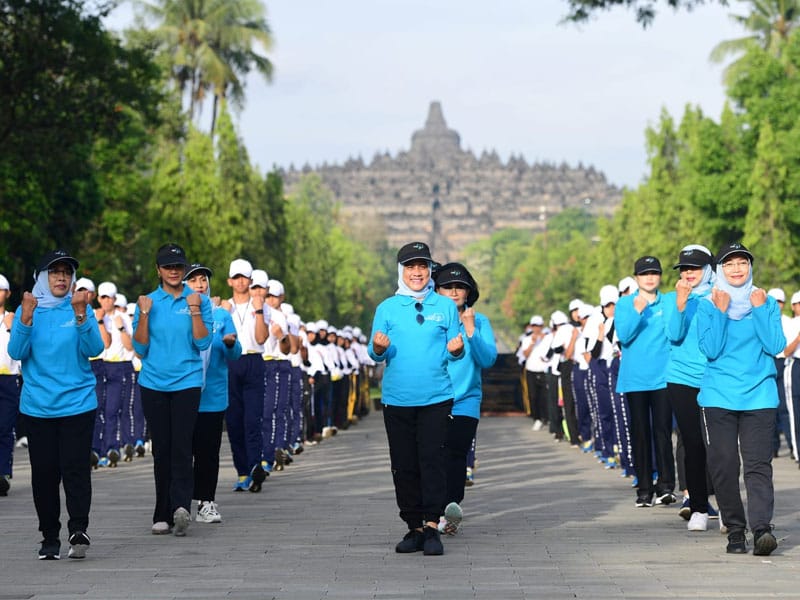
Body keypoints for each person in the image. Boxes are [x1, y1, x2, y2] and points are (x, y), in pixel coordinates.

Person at [368, 242, 464, 556]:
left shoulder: (445, 306)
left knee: (433, 461)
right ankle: (414, 527)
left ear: (430, 270)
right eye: (411, 267)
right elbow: (373, 351)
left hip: (436, 397)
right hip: (397, 400)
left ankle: (432, 526)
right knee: (404, 465)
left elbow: (457, 348)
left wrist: (457, 350)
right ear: (402, 271)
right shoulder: (387, 308)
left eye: (422, 266)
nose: (417, 273)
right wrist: (379, 348)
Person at [8, 249, 104, 560]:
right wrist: (24, 317)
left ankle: (78, 529)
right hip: (39, 407)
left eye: (66, 272)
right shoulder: (31, 310)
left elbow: (94, 348)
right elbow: (17, 351)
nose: (61, 277)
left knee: (76, 470)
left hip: (78, 403)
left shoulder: (80, 307)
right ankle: (49, 537)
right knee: (45, 474)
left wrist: (80, 315)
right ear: (41, 278)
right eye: (54, 272)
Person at [696, 242, 785, 555]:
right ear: (720, 269)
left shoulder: (766, 301)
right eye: (730, 263)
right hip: (718, 396)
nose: (737, 269)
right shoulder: (708, 304)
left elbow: (776, 344)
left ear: (750, 267)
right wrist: (720, 313)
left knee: (758, 465)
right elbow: (710, 349)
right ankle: (735, 529)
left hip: (759, 395)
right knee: (724, 464)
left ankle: (762, 529)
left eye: (742, 263)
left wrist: (760, 309)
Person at [132, 243, 212, 537]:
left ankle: (180, 507)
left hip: (187, 382)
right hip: (153, 383)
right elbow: (140, 348)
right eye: (168, 266)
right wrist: (142, 315)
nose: (174, 271)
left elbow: (203, 343)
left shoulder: (198, 301)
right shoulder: (147, 302)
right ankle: (161, 512)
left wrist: (194, 311)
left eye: (178, 266)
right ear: (159, 270)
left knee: (181, 445)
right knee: (161, 448)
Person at [433, 262, 497, 536]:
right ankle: (432, 510)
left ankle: (450, 507)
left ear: (469, 292)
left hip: (466, 400)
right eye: (448, 286)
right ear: (437, 290)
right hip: (432, 398)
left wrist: (471, 331)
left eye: (460, 287)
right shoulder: (430, 319)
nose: (454, 291)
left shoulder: (479, 322)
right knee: (433, 455)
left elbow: (487, 359)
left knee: (456, 454)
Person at [615, 256, 676, 508]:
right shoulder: (625, 303)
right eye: (644, 274)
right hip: (635, 380)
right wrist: (637, 311)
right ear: (636, 278)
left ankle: (665, 486)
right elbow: (624, 336)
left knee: (663, 433)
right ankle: (643, 488)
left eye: (654, 273)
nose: (650, 277)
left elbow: (675, 334)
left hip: (663, 378)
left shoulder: (668, 301)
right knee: (640, 434)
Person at [663, 245, 716, 531]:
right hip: (681, 378)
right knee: (693, 444)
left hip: (715, 378)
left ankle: (725, 502)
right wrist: (681, 305)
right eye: (684, 268)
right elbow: (673, 334)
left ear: (708, 269)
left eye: (694, 267)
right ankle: (697, 507)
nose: (688, 273)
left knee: (719, 445)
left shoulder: (721, 296)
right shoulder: (674, 299)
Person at [183, 264, 241, 524]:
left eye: (203, 280)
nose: (200, 284)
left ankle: (206, 502)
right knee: (183, 452)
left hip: (213, 396)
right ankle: (181, 503)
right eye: (193, 280)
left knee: (208, 452)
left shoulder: (221, 316)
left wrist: (230, 344)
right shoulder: (177, 314)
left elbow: (235, 352)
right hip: (183, 393)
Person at [0, 274, 20, 496]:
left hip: (8, 378)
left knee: (5, 427)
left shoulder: (12, 319)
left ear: (7, 293)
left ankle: (3, 473)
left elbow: (20, 348)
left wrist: (9, 328)